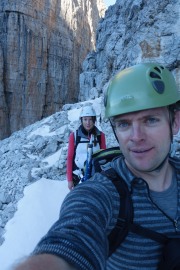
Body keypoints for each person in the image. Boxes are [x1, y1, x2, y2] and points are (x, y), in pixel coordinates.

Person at [13, 62, 180, 270]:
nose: (136, 137)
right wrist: (71, 180)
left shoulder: (99, 136)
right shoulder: (103, 194)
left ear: (175, 121)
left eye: (151, 120)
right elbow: (76, 230)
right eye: (124, 124)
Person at [66, 105, 106, 190]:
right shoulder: (74, 136)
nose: (88, 122)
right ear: (81, 120)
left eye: (90, 119)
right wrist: (70, 180)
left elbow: (104, 157)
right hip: (78, 176)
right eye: (85, 119)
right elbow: (70, 158)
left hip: (96, 175)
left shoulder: (100, 136)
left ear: (94, 120)